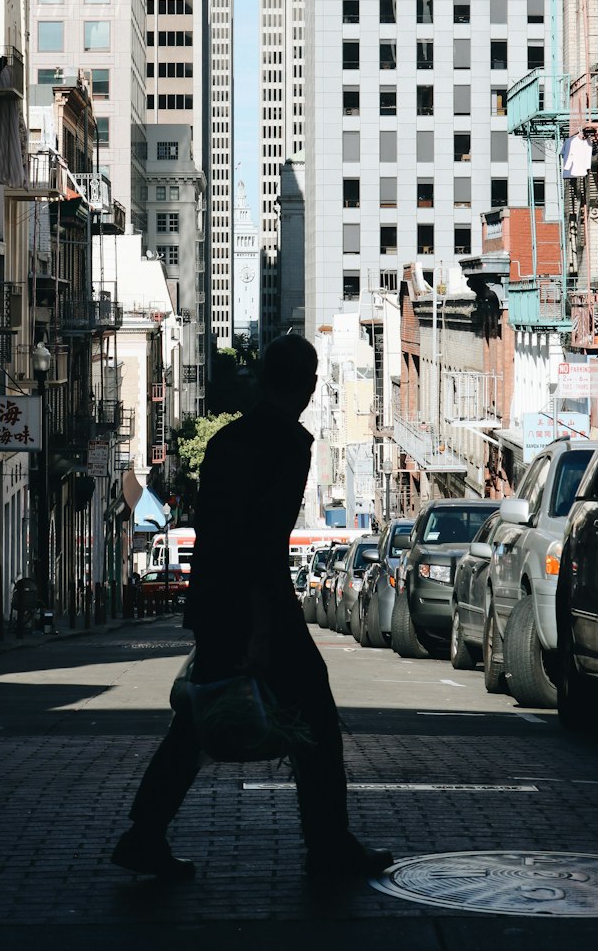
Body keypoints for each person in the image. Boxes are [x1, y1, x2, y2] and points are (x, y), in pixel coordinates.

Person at [111, 334, 394, 882]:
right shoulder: (289, 443)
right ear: (308, 386)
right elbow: (263, 539)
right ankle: (328, 845)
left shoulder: (226, 440)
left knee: (196, 720)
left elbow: (222, 533)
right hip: (255, 604)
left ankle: (144, 833)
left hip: (215, 598)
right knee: (314, 713)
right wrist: (261, 633)